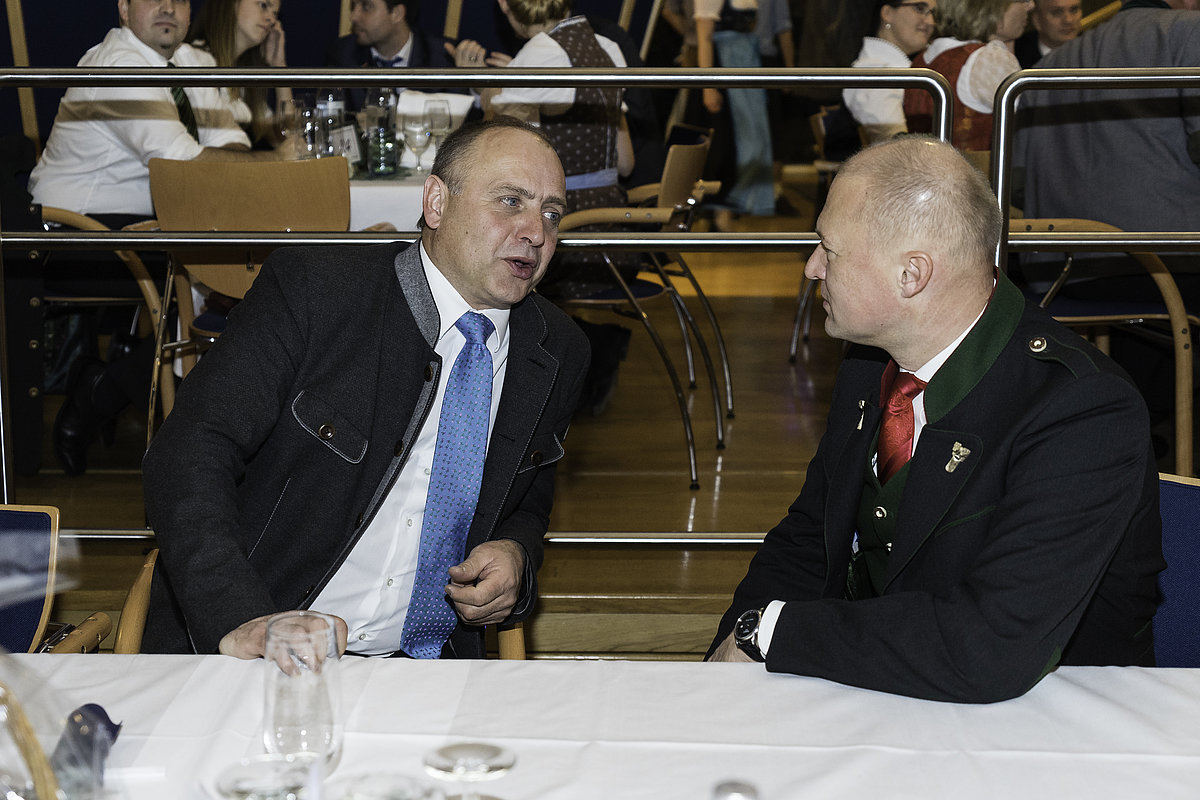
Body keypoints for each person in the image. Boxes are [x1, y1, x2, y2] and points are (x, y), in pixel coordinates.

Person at [707, 136, 1162, 704]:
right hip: (885, 690)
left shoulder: (1081, 409)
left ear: (912, 275)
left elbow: (990, 645)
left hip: (1046, 721)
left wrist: (772, 633)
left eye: (829, 249)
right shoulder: (869, 365)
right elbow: (809, 541)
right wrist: (725, 669)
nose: (811, 267)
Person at [141, 118, 590, 660]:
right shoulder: (317, 290)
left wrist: (516, 552)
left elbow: (528, 500)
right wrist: (239, 617)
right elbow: (188, 452)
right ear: (436, 203)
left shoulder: (557, 349)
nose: (536, 232)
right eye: (510, 201)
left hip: (431, 670)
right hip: (263, 643)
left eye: (552, 214)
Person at [27, 0, 283, 477]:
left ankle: (110, 389)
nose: (168, 6)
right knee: (239, 277)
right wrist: (280, 164)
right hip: (76, 234)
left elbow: (232, 142)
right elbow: (183, 165)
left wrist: (238, 162)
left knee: (256, 274)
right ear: (124, 9)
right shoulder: (119, 65)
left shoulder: (190, 61)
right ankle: (176, 437)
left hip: (146, 224)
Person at [455, 0, 636, 416]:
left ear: (506, 6)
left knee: (472, 246)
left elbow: (493, 145)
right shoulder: (608, 49)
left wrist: (481, 84)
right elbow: (626, 163)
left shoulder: (539, 53)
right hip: (617, 232)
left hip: (570, 236)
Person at [1013, 0, 1200, 294]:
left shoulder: (1044, 68)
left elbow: (1017, 187)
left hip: (1060, 279)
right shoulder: (1190, 32)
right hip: (1170, 267)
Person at [902, 0, 1032, 150]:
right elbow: (1028, 130)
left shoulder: (921, 59)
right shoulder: (988, 58)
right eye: (1019, 0)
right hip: (972, 164)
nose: (1031, 5)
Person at [694, 0, 776, 224]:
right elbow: (704, 37)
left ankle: (734, 207)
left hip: (746, 61)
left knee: (754, 139)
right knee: (729, 141)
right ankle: (719, 212)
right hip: (724, 64)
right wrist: (708, 86)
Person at [188, 0, 290, 145]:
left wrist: (279, 65)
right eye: (263, 5)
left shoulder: (243, 77)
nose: (272, 20)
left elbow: (285, 137)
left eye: (275, 14)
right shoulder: (194, 61)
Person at [325, 0, 455, 111]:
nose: (353, 16)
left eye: (366, 7)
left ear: (396, 14)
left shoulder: (443, 56)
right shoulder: (343, 53)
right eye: (353, 6)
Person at [844, 0, 939, 143]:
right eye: (919, 8)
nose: (930, 22)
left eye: (933, 13)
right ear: (887, 13)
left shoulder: (898, 69)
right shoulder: (874, 75)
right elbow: (897, 147)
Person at [1014, 0, 1083, 66]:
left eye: (1074, 10)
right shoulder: (1016, 56)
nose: (1068, 20)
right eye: (1057, 12)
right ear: (1037, 20)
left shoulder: (1088, 48)